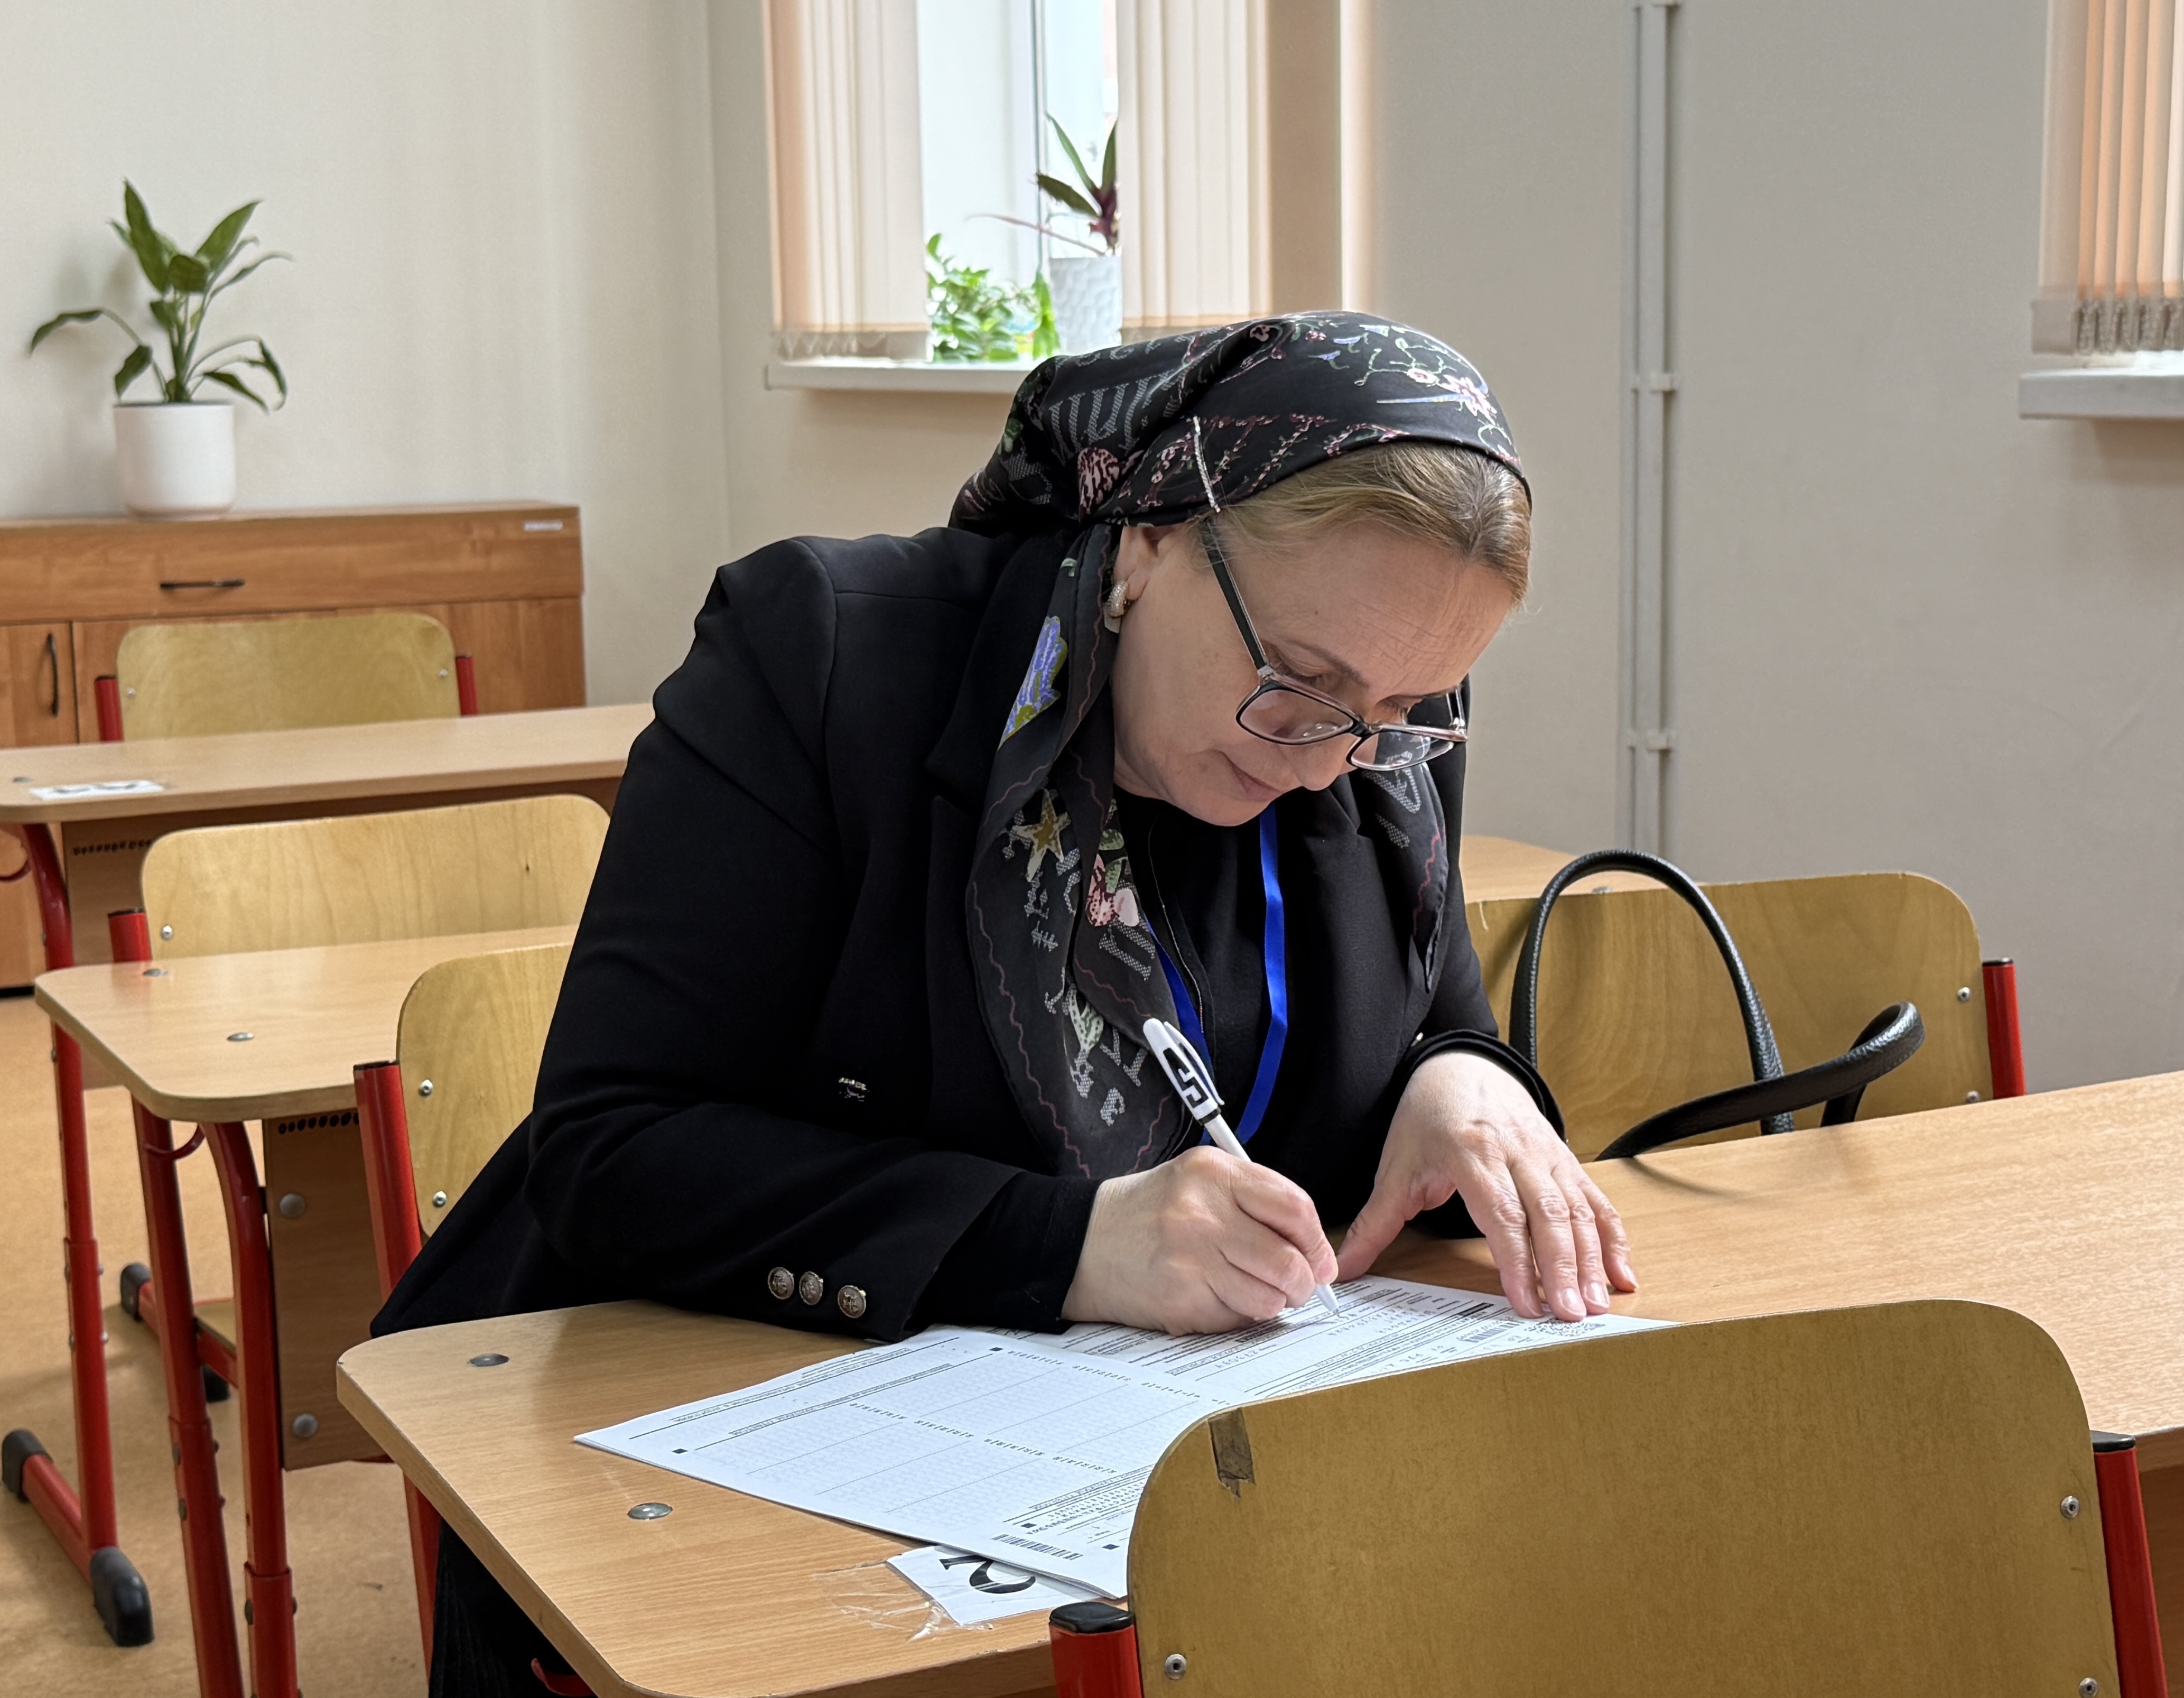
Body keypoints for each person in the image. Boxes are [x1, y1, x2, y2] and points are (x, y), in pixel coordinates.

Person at [378, 312, 1633, 1695]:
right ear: (1147, 541)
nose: (1333, 761)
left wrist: (1466, 1082)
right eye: (1300, 684)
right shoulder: (823, 659)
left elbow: (1429, 1021)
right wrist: (1068, 1244)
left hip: (1170, 1511)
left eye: (1403, 709)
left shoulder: (1368, 736)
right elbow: (616, 1152)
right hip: (741, 1471)